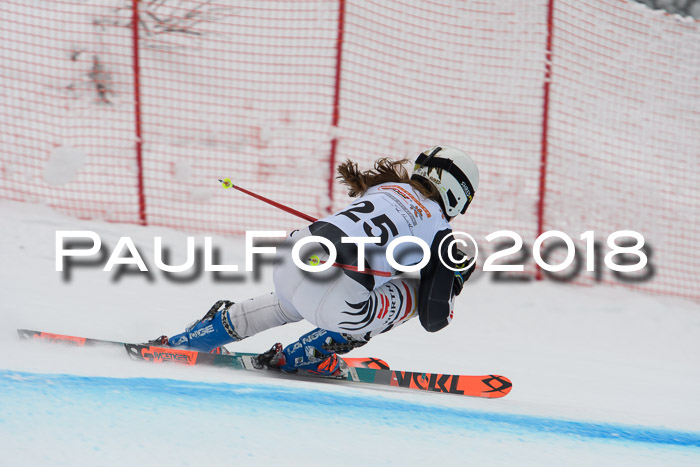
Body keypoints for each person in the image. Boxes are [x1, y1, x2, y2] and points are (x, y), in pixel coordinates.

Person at [160, 146, 479, 375]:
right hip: (341, 301)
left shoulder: (387, 186)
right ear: (459, 195)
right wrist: (454, 279)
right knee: (410, 291)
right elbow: (433, 318)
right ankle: (309, 354)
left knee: (290, 302)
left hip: (291, 257)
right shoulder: (441, 232)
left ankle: (198, 337)